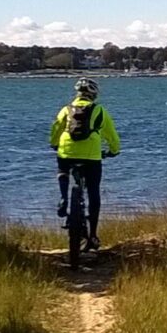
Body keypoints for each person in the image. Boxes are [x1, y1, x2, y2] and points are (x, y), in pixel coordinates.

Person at [49, 76, 121, 262]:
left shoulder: (66, 109)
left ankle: (64, 197)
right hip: (91, 155)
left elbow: (56, 128)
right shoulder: (99, 110)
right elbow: (111, 134)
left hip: (67, 151)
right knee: (94, 191)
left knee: (63, 169)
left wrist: (54, 143)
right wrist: (114, 151)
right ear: (93, 94)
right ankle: (93, 235)